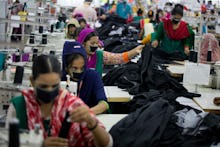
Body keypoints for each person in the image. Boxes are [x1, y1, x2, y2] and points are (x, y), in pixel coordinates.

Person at [6, 54, 112, 147]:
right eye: (44, 86)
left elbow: (107, 144)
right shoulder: (20, 106)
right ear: (32, 82)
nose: (49, 90)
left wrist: (91, 122)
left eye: (54, 86)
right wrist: (39, 144)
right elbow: (7, 143)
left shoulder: (73, 105)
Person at [62, 41, 109, 115]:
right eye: (74, 68)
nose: (79, 71)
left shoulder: (92, 76)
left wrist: (86, 113)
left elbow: (104, 104)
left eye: (82, 68)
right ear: (66, 67)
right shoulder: (59, 78)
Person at [77, 28, 144, 75]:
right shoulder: (74, 57)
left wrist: (135, 51)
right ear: (83, 43)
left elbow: (119, 58)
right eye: (92, 43)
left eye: (97, 43)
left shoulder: (99, 55)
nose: (95, 46)